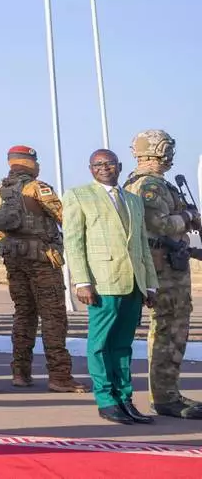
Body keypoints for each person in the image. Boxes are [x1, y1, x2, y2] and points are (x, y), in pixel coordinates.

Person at [63, 149, 158, 425]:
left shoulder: (133, 200)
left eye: (109, 163)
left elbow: (141, 245)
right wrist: (82, 281)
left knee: (123, 346)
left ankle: (125, 399)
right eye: (98, 164)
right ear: (90, 169)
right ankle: (106, 400)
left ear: (119, 166)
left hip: (133, 283)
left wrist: (150, 283)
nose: (104, 168)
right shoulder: (79, 196)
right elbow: (73, 242)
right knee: (100, 344)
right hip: (102, 283)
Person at [0, 146, 87, 392]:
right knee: (53, 317)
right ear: (31, 164)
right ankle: (60, 376)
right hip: (42, 260)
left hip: (13, 259)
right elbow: (65, 217)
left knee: (24, 314)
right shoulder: (38, 188)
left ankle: (20, 373)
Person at [123, 130, 202, 419]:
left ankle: (168, 393)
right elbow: (161, 224)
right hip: (165, 266)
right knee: (170, 328)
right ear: (160, 151)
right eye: (168, 149)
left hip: (168, 261)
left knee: (170, 327)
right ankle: (165, 397)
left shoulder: (146, 183)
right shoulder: (149, 185)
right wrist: (189, 217)